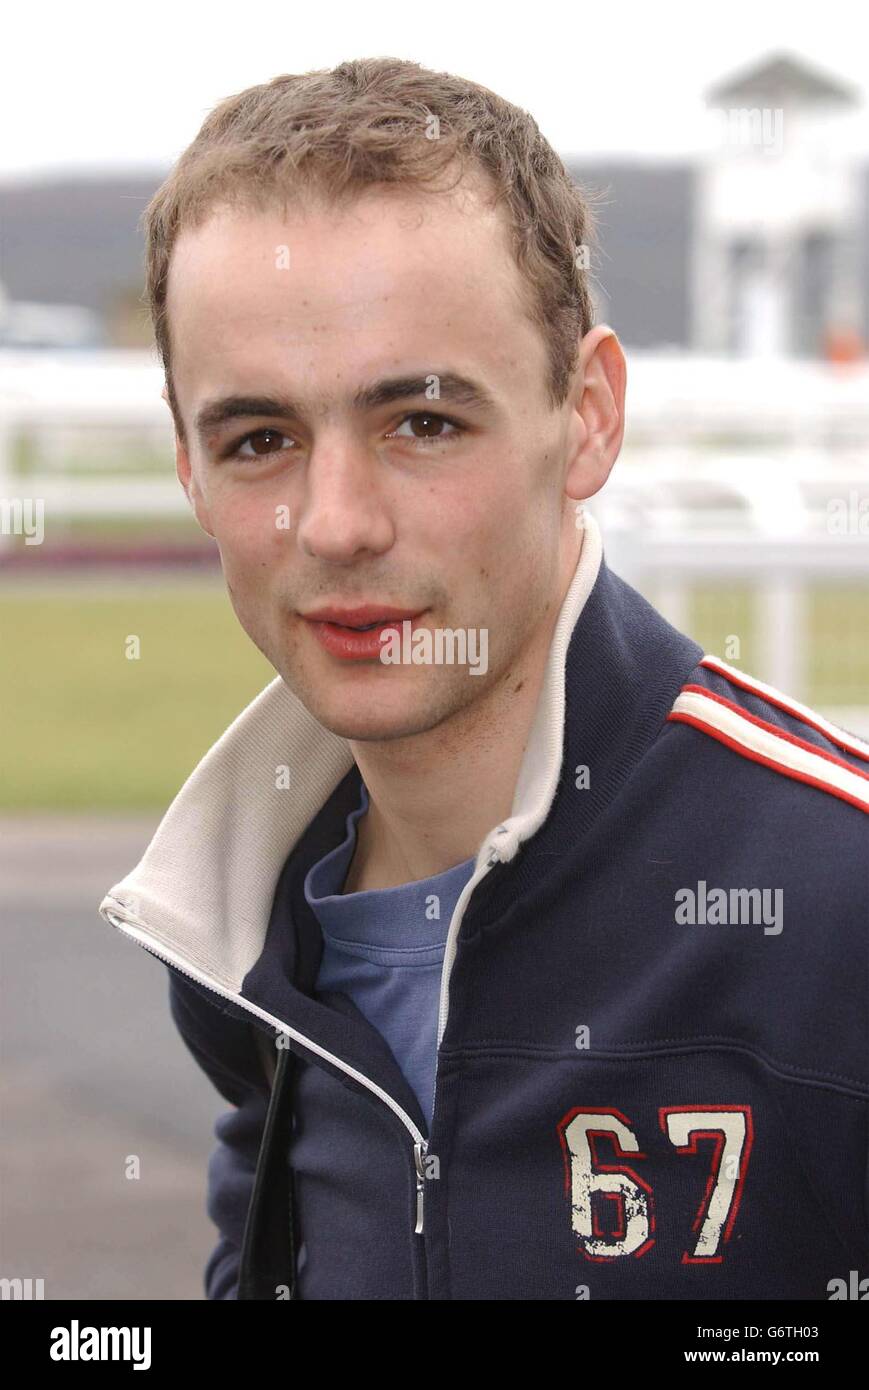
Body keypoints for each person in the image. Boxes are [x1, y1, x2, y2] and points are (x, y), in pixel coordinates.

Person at [100, 57, 868, 1300]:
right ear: (189, 469)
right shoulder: (237, 943)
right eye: (260, 440)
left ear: (588, 414)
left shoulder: (835, 906)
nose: (336, 523)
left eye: (422, 421)